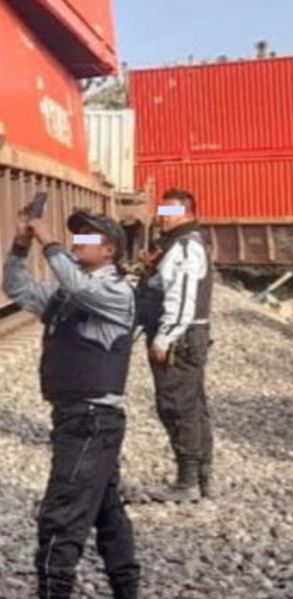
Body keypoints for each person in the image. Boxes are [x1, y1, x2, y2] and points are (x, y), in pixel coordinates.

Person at [2, 208, 141, 598]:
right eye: (74, 237)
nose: (78, 242)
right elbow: (18, 289)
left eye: (86, 238)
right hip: (77, 417)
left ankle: (54, 589)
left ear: (110, 250)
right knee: (106, 511)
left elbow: (82, 290)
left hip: (92, 419)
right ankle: (126, 587)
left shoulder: (115, 292)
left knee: (62, 512)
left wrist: (48, 239)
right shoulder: (67, 292)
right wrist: (20, 245)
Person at [135, 187, 215, 503]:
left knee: (176, 406)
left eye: (168, 212)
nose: (160, 218)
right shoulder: (182, 244)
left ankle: (187, 482)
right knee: (193, 405)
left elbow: (181, 297)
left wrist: (165, 337)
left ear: (186, 213)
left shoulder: (184, 247)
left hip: (180, 338)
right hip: (188, 336)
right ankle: (201, 477)